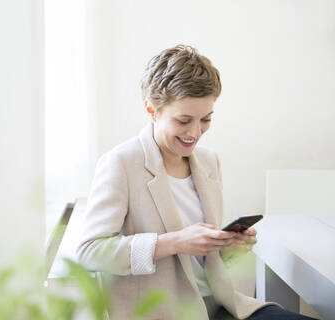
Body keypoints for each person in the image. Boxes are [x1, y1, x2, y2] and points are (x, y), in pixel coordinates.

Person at [76, 45, 316, 320]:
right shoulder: (120, 163)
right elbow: (89, 252)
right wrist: (176, 242)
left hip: (221, 305)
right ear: (151, 110)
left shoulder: (209, 162)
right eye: (183, 120)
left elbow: (199, 263)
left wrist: (228, 247)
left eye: (206, 120)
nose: (195, 132)